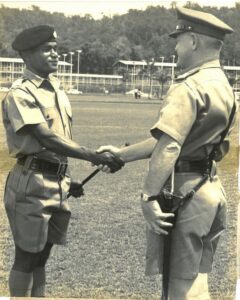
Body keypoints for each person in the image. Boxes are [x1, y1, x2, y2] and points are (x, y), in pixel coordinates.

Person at [98, 7, 236, 300]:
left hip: (183, 192)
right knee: (197, 281)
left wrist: (148, 197)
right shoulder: (223, 85)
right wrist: (122, 154)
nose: (175, 46)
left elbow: (170, 146)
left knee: (179, 290)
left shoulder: (189, 86)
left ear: (194, 41)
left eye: (179, 38)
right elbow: (175, 140)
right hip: (210, 190)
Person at [1, 25, 124, 297]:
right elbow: (47, 139)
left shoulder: (56, 88)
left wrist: (66, 175)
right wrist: (92, 155)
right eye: (47, 50)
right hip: (30, 183)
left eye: (56, 49)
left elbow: (58, 141)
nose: (55, 55)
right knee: (26, 256)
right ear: (27, 55)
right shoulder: (21, 93)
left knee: (42, 256)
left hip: (56, 182)